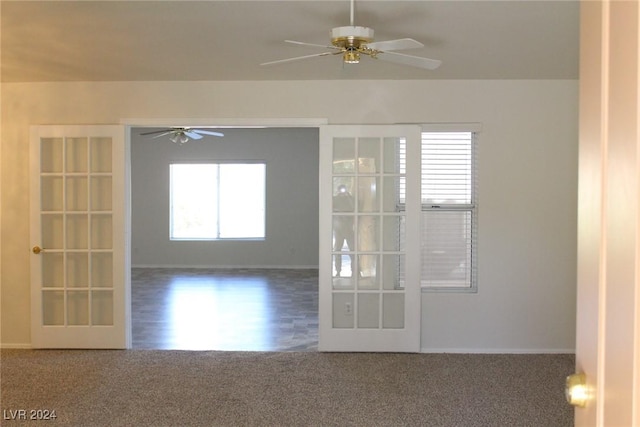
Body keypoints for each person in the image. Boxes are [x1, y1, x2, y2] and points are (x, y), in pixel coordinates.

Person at [333, 185, 355, 277]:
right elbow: (330, 208)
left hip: (349, 229)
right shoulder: (334, 199)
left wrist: (348, 196)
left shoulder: (350, 198)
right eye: (340, 190)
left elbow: (354, 207)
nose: (342, 191)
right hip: (338, 229)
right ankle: (338, 271)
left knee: (353, 251)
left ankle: (355, 271)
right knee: (337, 251)